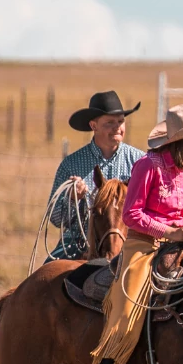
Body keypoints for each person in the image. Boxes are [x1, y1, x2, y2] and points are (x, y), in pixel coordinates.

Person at [84, 105, 183, 364]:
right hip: (143, 244)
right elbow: (131, 214)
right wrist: (168, 232)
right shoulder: (148, 165)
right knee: (128, 300)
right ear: (182, 140)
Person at [47, 91, 145, 261]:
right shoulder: (72, 164)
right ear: (94, 126)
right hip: (78, 243)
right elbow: (55, 218)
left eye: (121, 121)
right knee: (46, 276)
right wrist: (72, 199)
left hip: (130, 242)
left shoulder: (139, 162)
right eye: (109, 123)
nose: (117, 127)